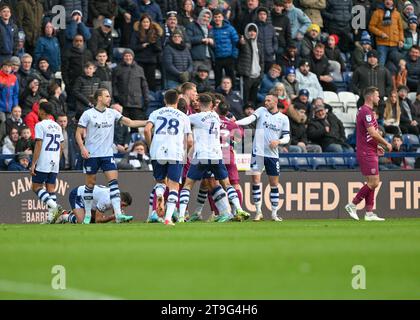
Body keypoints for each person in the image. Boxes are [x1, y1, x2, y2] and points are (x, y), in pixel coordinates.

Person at [75, 88, 147, 224]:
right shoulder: (88, 114)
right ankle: (88, 215)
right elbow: (78, 133)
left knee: (114, 184)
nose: (109, 98)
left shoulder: (112, 113)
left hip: (107, 154)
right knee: (90, 184)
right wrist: (82, 148)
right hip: (91, 155)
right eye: (107, 96)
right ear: (99, 98)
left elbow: (130, 122)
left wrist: (148, 122)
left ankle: (119, 215)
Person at [178, 94, 249, 223]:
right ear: (211, 105)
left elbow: (183, 120)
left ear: (199, 104)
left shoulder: (195, 117)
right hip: (217, 156)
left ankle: (182, 216)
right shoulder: (216, 117)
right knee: (227, 184)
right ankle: (238, 209)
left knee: (187, 185)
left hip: (201, 156)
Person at [235, 94, 290, 222]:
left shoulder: (283, 118)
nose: (266, 102)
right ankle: (258, 212)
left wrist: (279, 141)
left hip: (272, 154)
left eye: (269, 100)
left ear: (275, 102)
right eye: (265, 100)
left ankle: (274, 213)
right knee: (255, 180)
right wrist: (234, 123)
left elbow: (287, 137)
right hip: (257, 152)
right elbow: (249, 120)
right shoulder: (261, 111)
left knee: (274, 184)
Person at [144, 89, 193, 225]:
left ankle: (159, 195)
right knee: (174, 186)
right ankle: (168, 218)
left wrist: (150, 144)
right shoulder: (183, 116)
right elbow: (189, 141)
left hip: (157, 151)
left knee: (160, 183)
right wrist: (185, 151)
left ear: (165, 100)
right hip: (175, 152)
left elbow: (147, 129)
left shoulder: (155, 113)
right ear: (177, 101)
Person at [345, 86, 392, 221]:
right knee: (374, 182)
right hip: (366, 152)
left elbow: (366, 135)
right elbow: (372, 133)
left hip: (369, 149)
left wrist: (376, 146)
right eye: (377, 95)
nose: (379, 98)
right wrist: (385, 143)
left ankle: (369, 213)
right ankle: (352, 204)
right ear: (370, 97)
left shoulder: (367, 111)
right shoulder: (366, 112)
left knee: (371, 181)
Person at [30, 102, 65, 224]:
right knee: (51, 188)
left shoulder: (40, 125)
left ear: (43, 111)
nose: (38, 111)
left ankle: (54, 206)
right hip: (55, 160)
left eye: (39, 109)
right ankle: (51, 218)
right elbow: (62, 145)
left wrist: (33, 163)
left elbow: (39, 144)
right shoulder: (57, 126)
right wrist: (57, 159)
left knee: (36, 186)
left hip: (44, 159)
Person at [112, 49, 150, 121]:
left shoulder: (139, 69)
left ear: (133, 57)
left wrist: (146, 99)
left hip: (136, 104)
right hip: (122, 103)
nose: (128, 58)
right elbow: (114, 85)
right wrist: (116, 98)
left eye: (130, 56)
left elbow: (144, 85)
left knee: (135, 127)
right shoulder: (117, 69)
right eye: (126, 56)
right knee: (123, 128)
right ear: (123, 57)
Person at [64, 185, 133, 224]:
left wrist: (121, 219)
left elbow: (116, 220)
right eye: (123, 205)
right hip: (78, 195)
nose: (122, 208)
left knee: (91, 221)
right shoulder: (107, 200)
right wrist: (112, 217)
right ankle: (65, 216)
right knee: (83, 223)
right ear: (119, 199)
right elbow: (98, 220)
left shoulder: (115, 196)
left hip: (90, 201)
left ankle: (75, 212)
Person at [130, 13, 163, 92]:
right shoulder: (136, 33)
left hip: (151, 62)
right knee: (139, 81)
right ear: (141, 23)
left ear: (150, 23)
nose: (145, 24)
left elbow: (159, 49)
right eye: (144, 22)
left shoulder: (155, 33)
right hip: (140, 61)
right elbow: (132, 47)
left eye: (147, 22)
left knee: (151, 83)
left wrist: (153, 43)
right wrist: (142, 46)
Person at [369, 0, 404, 66]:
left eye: (390, 0)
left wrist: (401, 40)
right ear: (384, 2)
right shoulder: (377, 12)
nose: (388, 1)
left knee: (396, 65)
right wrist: (381, 33)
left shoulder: (397, 14)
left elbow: (400, 29)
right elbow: (371, 27)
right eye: (386, 0)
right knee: (381, 64)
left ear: (393, 2)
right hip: (382, 44)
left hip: (395, 45)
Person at [237, 23, 264, 105]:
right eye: (250, 31)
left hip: (257, 76)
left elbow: (262, 61)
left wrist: (261, 75)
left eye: (254, 31)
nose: (252, 33)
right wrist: (240, 43)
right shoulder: (243, 42)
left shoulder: (259, 45)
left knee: (253, 100)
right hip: (247, 76)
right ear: (246, 32)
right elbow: (239, 47)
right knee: (244, 99)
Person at [211, 9, 239, 88]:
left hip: (229, 57)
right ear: (213, 18)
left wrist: (234, 55)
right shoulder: (211, 29)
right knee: (218, 79)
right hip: (217, 58)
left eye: (219, 17)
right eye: (215, 17)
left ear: (223, 17)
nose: (217, 19)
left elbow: (235, 42)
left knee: (231, 78)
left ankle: (232, 95)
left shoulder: (230, 28)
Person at [0, 59, 19, 140]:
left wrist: (15, 106)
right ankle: (2, 140)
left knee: (9, 124)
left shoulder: (14, 78)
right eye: (5, 67)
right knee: (3, 122)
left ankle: (8, 141)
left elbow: (15, 94)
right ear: (2, 68)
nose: (7, 69)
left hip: (10, 107)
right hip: (1, 107)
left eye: (9, 67)